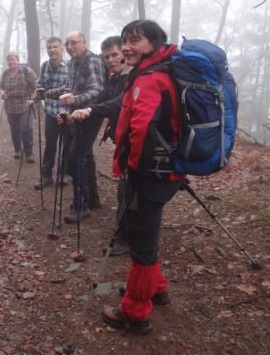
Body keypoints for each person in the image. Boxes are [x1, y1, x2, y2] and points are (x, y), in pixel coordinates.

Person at [101, 20, 184, 334]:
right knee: (147, 233)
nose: (126, 47)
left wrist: (132, 171)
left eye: (134, 40)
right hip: (165, 172)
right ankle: (156, 288)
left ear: (153, 43)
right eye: (125, 41)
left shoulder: (149, 79)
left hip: (150, 174)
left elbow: (141, 128)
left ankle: (135, 313)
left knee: (141, 242)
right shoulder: (158, 72)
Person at [68, 35, 132, 255]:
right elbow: (103, 98)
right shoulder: (115, 77)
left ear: (124, 52)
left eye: (115, 54)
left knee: (129, 189)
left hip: (143, 142)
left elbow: (120, 102)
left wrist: (89, 110)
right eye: (107, 57)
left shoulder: (132, 76)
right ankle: (127, 233)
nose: (111, 60)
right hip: (126, 140)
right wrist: (76, 113)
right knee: (127, 186)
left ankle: (125, 238)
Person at [52, 31, 105, 221]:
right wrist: (48, 93)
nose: (69, 46)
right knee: (86, 156)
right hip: (75, 114)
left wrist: (77, 99)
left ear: (84, 42)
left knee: (76, 159)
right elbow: (69, 88)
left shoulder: (91, 61)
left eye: (73, 43)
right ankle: (93, 199)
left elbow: (97, 88)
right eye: (67, 43)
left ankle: (81, 205)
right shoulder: (72, 63)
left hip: (90, 114)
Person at [34, 37, 70, 190]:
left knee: (66, 145)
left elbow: (68, 88)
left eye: (55, 47)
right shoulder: (44, 66)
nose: (52, 50)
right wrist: (39, 90)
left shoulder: (70, 66)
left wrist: (47, 93)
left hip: (66, 112)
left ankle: (63, 174)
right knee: (50, 144)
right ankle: (46, 176)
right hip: (50, 112)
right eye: (49, 47)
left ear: (61, 48)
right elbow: (40, 83)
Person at [0, 52, 38, 162]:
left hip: (25, 104)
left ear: (18, 60)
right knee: (14, 129)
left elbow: (37, 87)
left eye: (13, 59)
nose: (11, 62)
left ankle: (29, 153)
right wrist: (2, 94)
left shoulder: (27, 71)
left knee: (26, 128)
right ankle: (17, 150)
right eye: (9, 60)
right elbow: (1, 87)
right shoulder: (5, 74)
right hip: (10, 105)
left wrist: (33, 99)